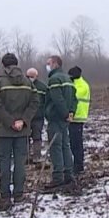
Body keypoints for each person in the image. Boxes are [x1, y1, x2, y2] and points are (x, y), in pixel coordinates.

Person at [0, 53, 38, 207]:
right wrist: (23, 121)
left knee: (4, 162)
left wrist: (10, 122)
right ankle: (19, 194)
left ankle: (4, 195)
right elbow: (35, 103)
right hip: (22, 131)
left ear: (4, 65)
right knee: (20, 162)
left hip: (4, 131)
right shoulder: (28, 83)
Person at [43, 55, 77, 191]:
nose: (47, 66)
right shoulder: (68, 79)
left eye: (48, 63)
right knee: (65, 146)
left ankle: (58, 177)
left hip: (56, 119)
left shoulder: (54, 79)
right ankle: (69, 174)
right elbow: (75, 99)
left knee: (56, 147)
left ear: (55, 64)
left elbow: (58, 99)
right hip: (65, 118)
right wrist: (70, 113)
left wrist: (64, 114)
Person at [67, 66, 90, 176]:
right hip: (72, 118)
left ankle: (78, 165)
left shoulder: (82, 85)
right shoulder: (76, 83)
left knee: (77, 143)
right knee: (72, 142)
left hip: (78, 117)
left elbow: (73, 96)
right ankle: (74, 164)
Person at [25, 67, 48, 164]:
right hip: (25, 117)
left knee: (37, 137)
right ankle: (26, 157)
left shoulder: (42, 87)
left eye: (32, 76)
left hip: (38, 117)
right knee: (25, 137)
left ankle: (37, 156)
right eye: (28, 76)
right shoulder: (23, 85)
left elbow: (46, 102)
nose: (30, 78)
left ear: (36, 76)